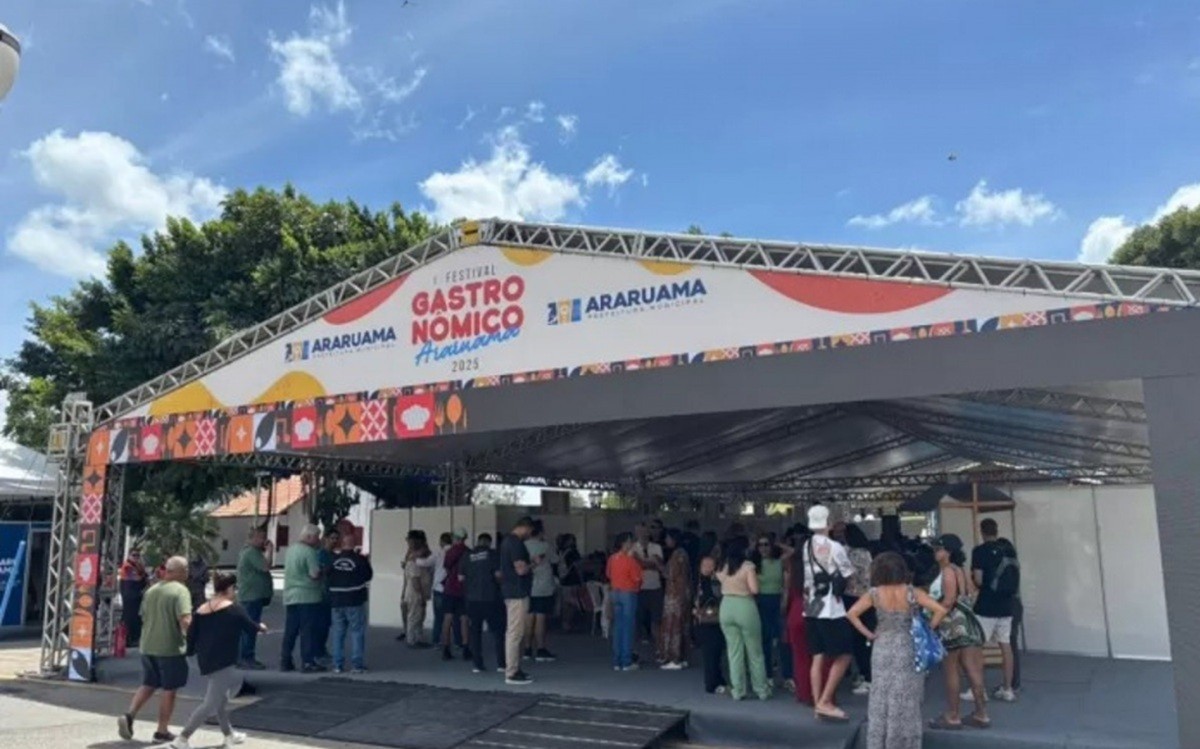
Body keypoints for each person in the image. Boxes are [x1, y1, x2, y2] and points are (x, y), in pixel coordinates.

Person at [847, 552, 947, 749]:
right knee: (906, 695)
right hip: (907, 645)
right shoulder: (912, 592)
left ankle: (879, 742)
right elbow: (940, 610)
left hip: (883, 645)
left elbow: (852, 614)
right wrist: (927, 630)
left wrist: (869, 634)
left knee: (882, 694)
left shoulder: (874, 593)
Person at [170, 572, 266, 749]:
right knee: (211, 703)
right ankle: (182, 738)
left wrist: (190, 652)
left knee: (221, 700)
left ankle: (229, 735)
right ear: (229, 588)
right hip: (224, 659)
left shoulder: (201, 609)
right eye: (234, 588)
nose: (235, 591)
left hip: (206, 658)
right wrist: (261, 627)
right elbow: (250, 628)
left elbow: (191, 636)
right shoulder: (234, 608)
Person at [117, 556, 192, 744]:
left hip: (148, 645)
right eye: (185, 568)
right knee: (169, 689)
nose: (188, 572)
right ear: (177, 571)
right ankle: (161, 730)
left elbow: (143, 615)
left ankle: (129, 715)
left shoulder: (151, 591)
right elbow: (185, 621)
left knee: (149, 683)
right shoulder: (181, 591)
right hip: (170, 647)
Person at [928, 534, 991, 731]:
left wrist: (931, 623)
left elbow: (947, 601)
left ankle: (952, 715)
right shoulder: (961, 571)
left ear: (948, 551)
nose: (935, 552)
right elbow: (972, 592)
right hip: (968, 623)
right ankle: (981, 714)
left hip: (950, 624)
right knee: (973, 670)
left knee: (951, 671)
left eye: (938, 549)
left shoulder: (947, 571)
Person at [802, 505, 857, 722]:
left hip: (811, 606)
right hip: (830, 608)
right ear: (829, 524)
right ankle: (825, 700)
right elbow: (848, 573)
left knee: (817, 655)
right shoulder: (835, 547)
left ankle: (818, 704)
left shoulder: (806, 545)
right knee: (844, 654)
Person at [970, 518, 1019, 702]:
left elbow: (979, 580)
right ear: (997, 531)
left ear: (982, 531)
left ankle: (978, 689)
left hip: (986, 605)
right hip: (1007, 604)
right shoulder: (1009, 550)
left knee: (976, 647)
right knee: (1005, 646)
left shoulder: (979, 551)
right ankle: (1008, 688)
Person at [716, 537, 770, 701]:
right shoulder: (748, 566)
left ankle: (738, 690)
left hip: (726, 606)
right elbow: (754, 589)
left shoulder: (722, 567)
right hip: (745, 606)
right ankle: (761, 689)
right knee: (755, 651)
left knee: (734, 651)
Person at [835, 522, 874, 696]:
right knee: (866, 638)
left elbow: (842, 575)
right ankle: (868, 675)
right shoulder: (867, 553)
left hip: (850, 598)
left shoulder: (846, 552)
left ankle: (866, 677)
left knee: (855, 640)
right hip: (868, 598)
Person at [280, 525, 325, 672]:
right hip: (308, 596)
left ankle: (285, 660)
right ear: (309, 537)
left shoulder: (291, 550)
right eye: (317, 536)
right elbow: (314, 574)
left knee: (290, 630)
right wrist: (323, 572)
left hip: (291, 596)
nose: (319, 539)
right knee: (308, 631)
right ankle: (307, 662)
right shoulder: (310, 552)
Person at [328, 532, 373, 673]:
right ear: (354, 544)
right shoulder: (360, 559)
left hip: (336, 600)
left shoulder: (333, 560)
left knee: (338, 633)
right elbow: (368, 576)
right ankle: (356, 664)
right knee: (357, 632)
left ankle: (337, 665)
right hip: (355, 600)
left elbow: (327, 575)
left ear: (342, 543)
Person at [500, 516, 535, 685]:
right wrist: (534, 564)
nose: (530, 534)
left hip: (511, 591)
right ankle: (512, 671)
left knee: (516, 632)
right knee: (515, 633)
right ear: (525, 527)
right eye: (530, 531)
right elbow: (521, 569)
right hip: (517, 592)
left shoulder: (507, 542)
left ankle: (515, 668)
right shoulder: (516, 544)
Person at [465, 533, 506, 674]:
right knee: (498, 632)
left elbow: (460, 577)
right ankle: (501, 664)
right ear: (489, 543)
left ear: (478, 541)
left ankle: (477, 665)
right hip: (491, 598)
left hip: (472, 599)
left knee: (475, 633)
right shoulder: (493, 555)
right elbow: (499, 575)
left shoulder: (467, 555)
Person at [236, 527, 273, 669]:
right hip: (251, 596)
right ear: (253, 538)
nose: (264, 540)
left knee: (249, 626)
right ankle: (246, 656)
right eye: (261, 538)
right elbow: (265, 567)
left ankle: (243, 656)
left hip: (253, 595)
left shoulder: (253, 552)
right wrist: (270, 551)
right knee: (250, 627)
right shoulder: (251, 552)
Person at [607, 532, 642, 672]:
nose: (631, 544)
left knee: (618, 627)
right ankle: (626, 661)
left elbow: (608, 574)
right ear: (625, 543)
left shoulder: (612, 558)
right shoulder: (630, 560)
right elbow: (637, 577)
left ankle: (617, 660)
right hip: (628, 592)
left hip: (616, 592)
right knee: (628, 627)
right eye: (630, 542)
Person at [752, 535, 785, 685]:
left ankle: (785, 671)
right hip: (762, 601)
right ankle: (768, 674)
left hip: (778, 600)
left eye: (766, 545)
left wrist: (777, 543)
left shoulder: (779, 562)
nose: (763, 548)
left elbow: (793, 552)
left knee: (781, 637)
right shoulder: (754, 564)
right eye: (761, 545)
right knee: (765, 637)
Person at [524, 520, 558, 662]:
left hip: (528, 586)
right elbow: (556, 560)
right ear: (540, 532)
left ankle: (526, 649)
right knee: (540, 618)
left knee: (529, 617)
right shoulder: (545, 546)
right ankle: (541, 649)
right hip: (543, 587)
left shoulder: (523, 546)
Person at [659, 529, 692, 669]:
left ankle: (674, 658)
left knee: (673, 625)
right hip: (683, 594)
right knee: (683, 624)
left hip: (674, 595)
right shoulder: (683, 553)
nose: (666, 541)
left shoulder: (677, 555)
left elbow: (670, 574)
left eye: (667, 538)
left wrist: (657, 563)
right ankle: (682, 656)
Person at [694, 556, 727, 694]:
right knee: (709, 654)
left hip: (717, 620)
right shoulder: (698, 583)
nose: (707, 568)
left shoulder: (717, 581)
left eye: (710, 565)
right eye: (705, 565)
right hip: (705, 622)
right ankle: (711, 683)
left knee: (717, 652)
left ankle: (718, 679)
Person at [632, 523, 665, 659]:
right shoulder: (632, 548)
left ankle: (660, 650)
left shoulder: (656, 547)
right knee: (636, 621)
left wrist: (641, 562)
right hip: (638, 589)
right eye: (639, 531)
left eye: (645, 531)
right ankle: (634, 651)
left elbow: (660, 566)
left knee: (656, 621)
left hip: (655, 588)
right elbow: (635, 567)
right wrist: (650, 564)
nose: (643, 534)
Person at [440, 528, 471, 661]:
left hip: (450, 589)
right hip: (464, 590)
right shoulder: (469, 552)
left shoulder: (451, 551)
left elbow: (446, 567)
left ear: (455, 538)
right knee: (464, 619)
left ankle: (446, 649)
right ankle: (465, 648)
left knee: (448, 619)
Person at [402, 531, 435, 648]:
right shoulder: (413, 562)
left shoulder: (415, 560)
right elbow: (415, 582)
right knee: (414, 616)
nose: (425, 552)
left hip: (418, 593)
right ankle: (412, 640)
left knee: (419, 616)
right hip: (415, 594)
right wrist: (421, 596)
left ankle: (418, 638)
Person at [313, 530, 339, 662]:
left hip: (331, 594)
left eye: (336, 538)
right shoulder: (320, 555)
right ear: (326, 539)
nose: (334, 541)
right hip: (321, 593)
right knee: (320, 624)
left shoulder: (335, 556)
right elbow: (318, 573)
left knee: (326, 624)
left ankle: (321, 648)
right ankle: (317, 650)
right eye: (332, 538)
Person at [119, 547, 148, 649]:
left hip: (135, 595)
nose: (136, 557)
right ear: (129, 555)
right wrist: (143, 575)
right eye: (134, 555)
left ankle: (134, 638)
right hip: (129, 595)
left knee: (135, 617)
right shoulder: (127, 566)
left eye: (138, 555)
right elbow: (137, 578)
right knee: (129, 617)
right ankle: (127, 640)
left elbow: (143, 577)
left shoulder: (136, 565)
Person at [557, 534, 585, 633]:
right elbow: (578, 567)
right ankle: (568, 623)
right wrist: (582, 580)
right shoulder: (573, 552)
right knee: (573, 603)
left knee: (565, 603)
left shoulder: (561, 552)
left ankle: (565, 622)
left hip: (564, 579)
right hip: (573, 579)